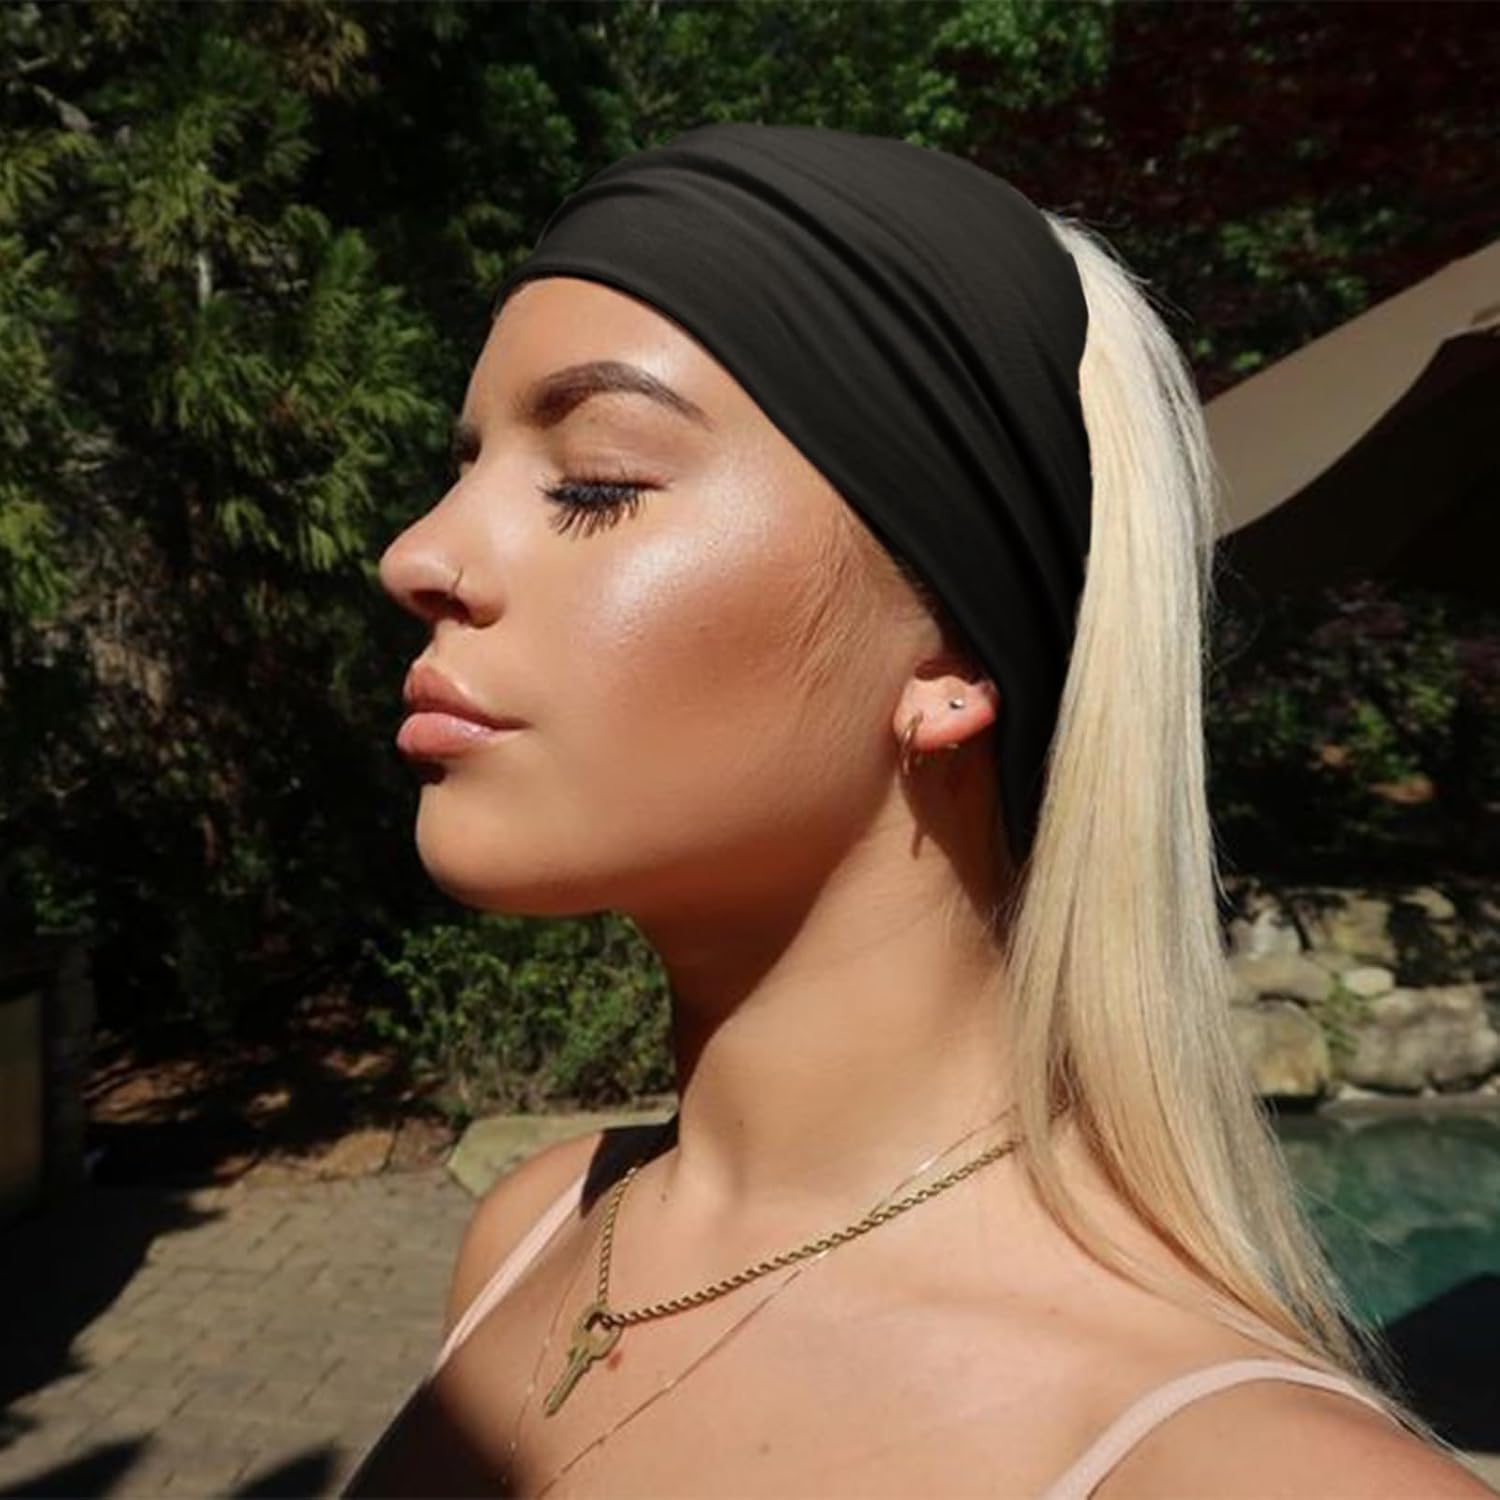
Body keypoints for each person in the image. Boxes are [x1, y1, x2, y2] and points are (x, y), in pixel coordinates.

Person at [348, 123, 1493, 1498]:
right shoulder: (537, 1234)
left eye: (595, 482)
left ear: (949, 654)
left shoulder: (1246, 1474)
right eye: (463, 465)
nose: (416, 554)